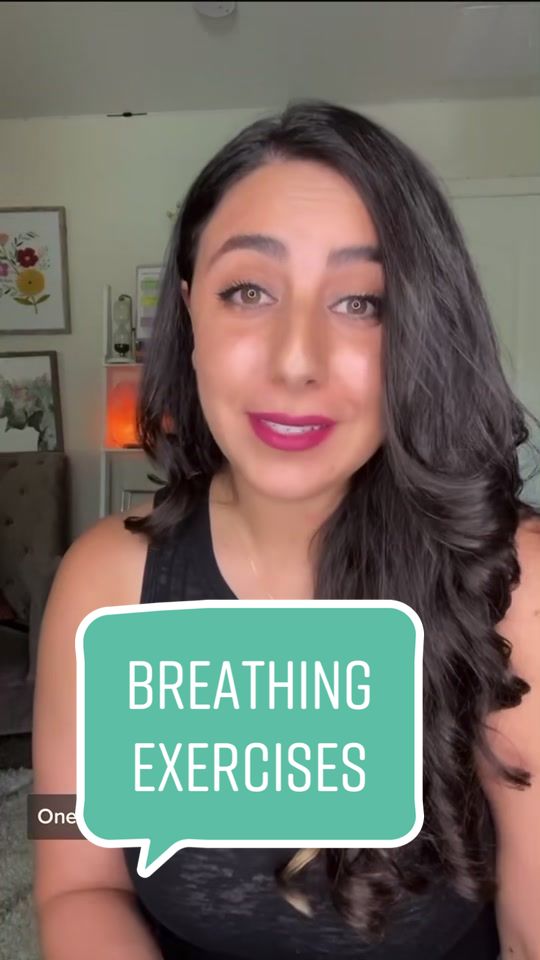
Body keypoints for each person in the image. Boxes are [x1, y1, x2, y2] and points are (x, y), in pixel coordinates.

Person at [33, 100, 540, 960]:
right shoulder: (104, 582)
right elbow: (70, 859)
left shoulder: (511, 582)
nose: (296, 359)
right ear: (189, 313)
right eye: (248, 291)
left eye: (361, 302)